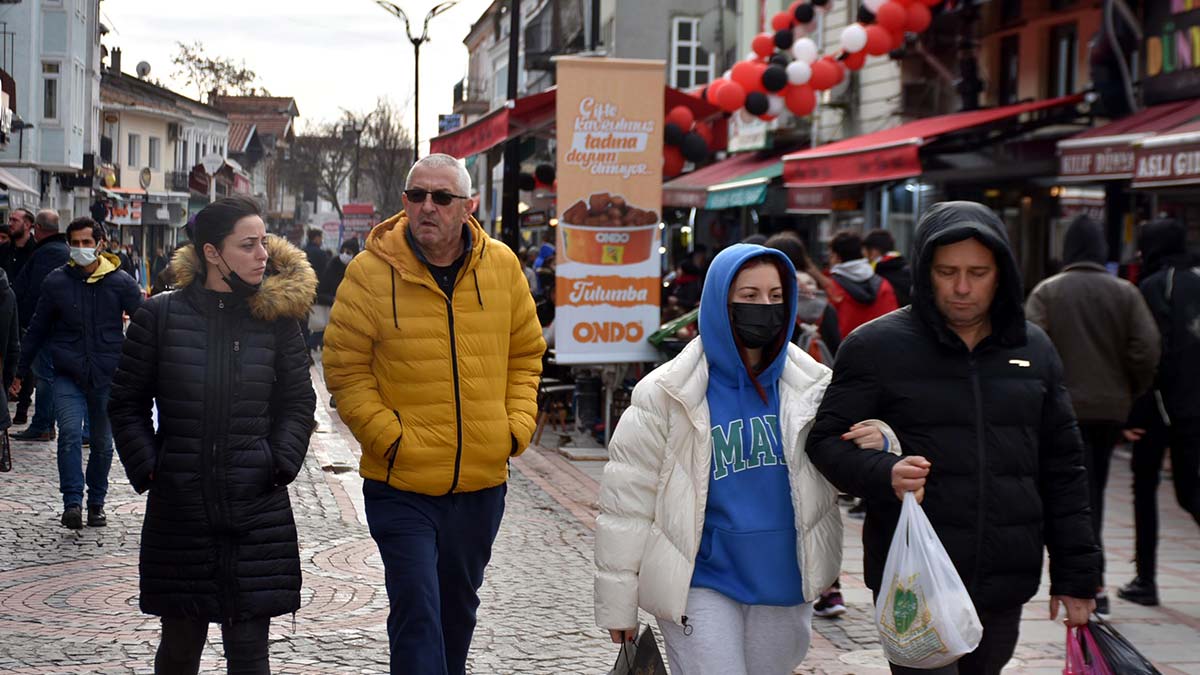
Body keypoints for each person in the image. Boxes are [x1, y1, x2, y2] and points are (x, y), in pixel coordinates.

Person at [808, 201, 1099, 675]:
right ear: (926, 272)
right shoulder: (875, 346)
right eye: (947, 272)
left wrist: (1077, 577)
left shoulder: (1034, 348)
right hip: (913, 578)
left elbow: (1064, 470)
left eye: (977, 273)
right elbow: (824, 442)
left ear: (1001, 275)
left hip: (1005, 580)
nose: (962, 287)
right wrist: (885, 473)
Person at [594, 244, 895, 675]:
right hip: (699, 580)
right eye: (749, 296)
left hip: (785, 580)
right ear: (720, 300)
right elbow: (626, 503)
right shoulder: (666, 392)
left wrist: (881, 441)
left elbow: (846, 461)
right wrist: (618, 603)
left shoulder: (813, 386)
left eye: (776, 296)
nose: (765, 307)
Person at [322, 153, 544, 675]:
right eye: (417, 195)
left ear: (468, 207)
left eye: (442, 197)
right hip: (401, 483)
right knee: (417, 609)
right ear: (404, 202)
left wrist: (514, 427)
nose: (428, 206)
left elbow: (526, 354)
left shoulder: (502, 266)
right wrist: (390, 438)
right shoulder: (369, 272)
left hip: (480, 484)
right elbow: (345, 369)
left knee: (457, 610)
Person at [109, 196, 317, 674]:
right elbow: (126, 403)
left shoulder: (277, 320)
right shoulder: (159, 317)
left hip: (257, 510)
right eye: (248, 245)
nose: (263, 254)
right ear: (211, 252)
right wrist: (153, 468)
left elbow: (298, 403)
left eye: (264, 242)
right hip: (181, 512)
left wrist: (278, 462)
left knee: (250, 655)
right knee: (180, 650)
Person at [1025, 214, 1161, 615]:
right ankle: (1090, 579)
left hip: (1061, 408)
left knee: (1074, 496)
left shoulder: (1048, 291)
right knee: (1093, 491)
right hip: (1109, 409)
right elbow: (1146, 349)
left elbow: (1031, 345)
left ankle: (1091, 581)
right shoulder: (1125, 293)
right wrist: (1129, 391)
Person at [9, 217, 142, 528]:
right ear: (68, 245)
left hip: (108, 375)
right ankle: (72, 503)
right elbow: (37, 329)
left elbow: (144, 323)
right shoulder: (57, 282)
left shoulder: (120, 282)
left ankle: (96, 502)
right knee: (69, 434)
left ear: (99, 244)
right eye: (76, 243)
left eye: (86, 242)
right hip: (67, 373)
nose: (81, 248)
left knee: (103, 443)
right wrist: (19, 371)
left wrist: (146, 362)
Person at [1118, 217, 1200, 607]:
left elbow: (1145, 353)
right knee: (1188, 491)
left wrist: (1134, 412)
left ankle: (1146, 579)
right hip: (1194, 408)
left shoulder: (1153, 287)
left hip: (1159, 407)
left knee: (1145, 490)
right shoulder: (1196, 280)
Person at [12, 210, 70, 441]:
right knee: (46, 374)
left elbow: (38, 290)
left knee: (44, 375)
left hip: (46, 325)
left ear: (37, 228)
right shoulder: (56, 249)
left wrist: (27, 319)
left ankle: (43, 425)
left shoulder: (49, 252)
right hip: (53, 323)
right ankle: (45, 424)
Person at [825, 230, 899, 338]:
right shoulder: (884, 285)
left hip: (844, 347)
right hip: (881, 346)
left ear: (837, 257)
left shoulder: (831, 288)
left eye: (830, 255)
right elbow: (894, 324)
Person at [310, 239, 360, 355]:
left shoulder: (358, 270)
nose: (344, 255)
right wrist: (332, 299)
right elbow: (320, 292)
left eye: (348, 252)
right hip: (332, 312)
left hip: (351, 315)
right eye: (342, 251)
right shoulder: (332, 267)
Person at [863, 228, 913, 307]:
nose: (864, 255)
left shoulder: (877, 276)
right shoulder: (907, 269)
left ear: (873, 251)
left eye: (864, 251)